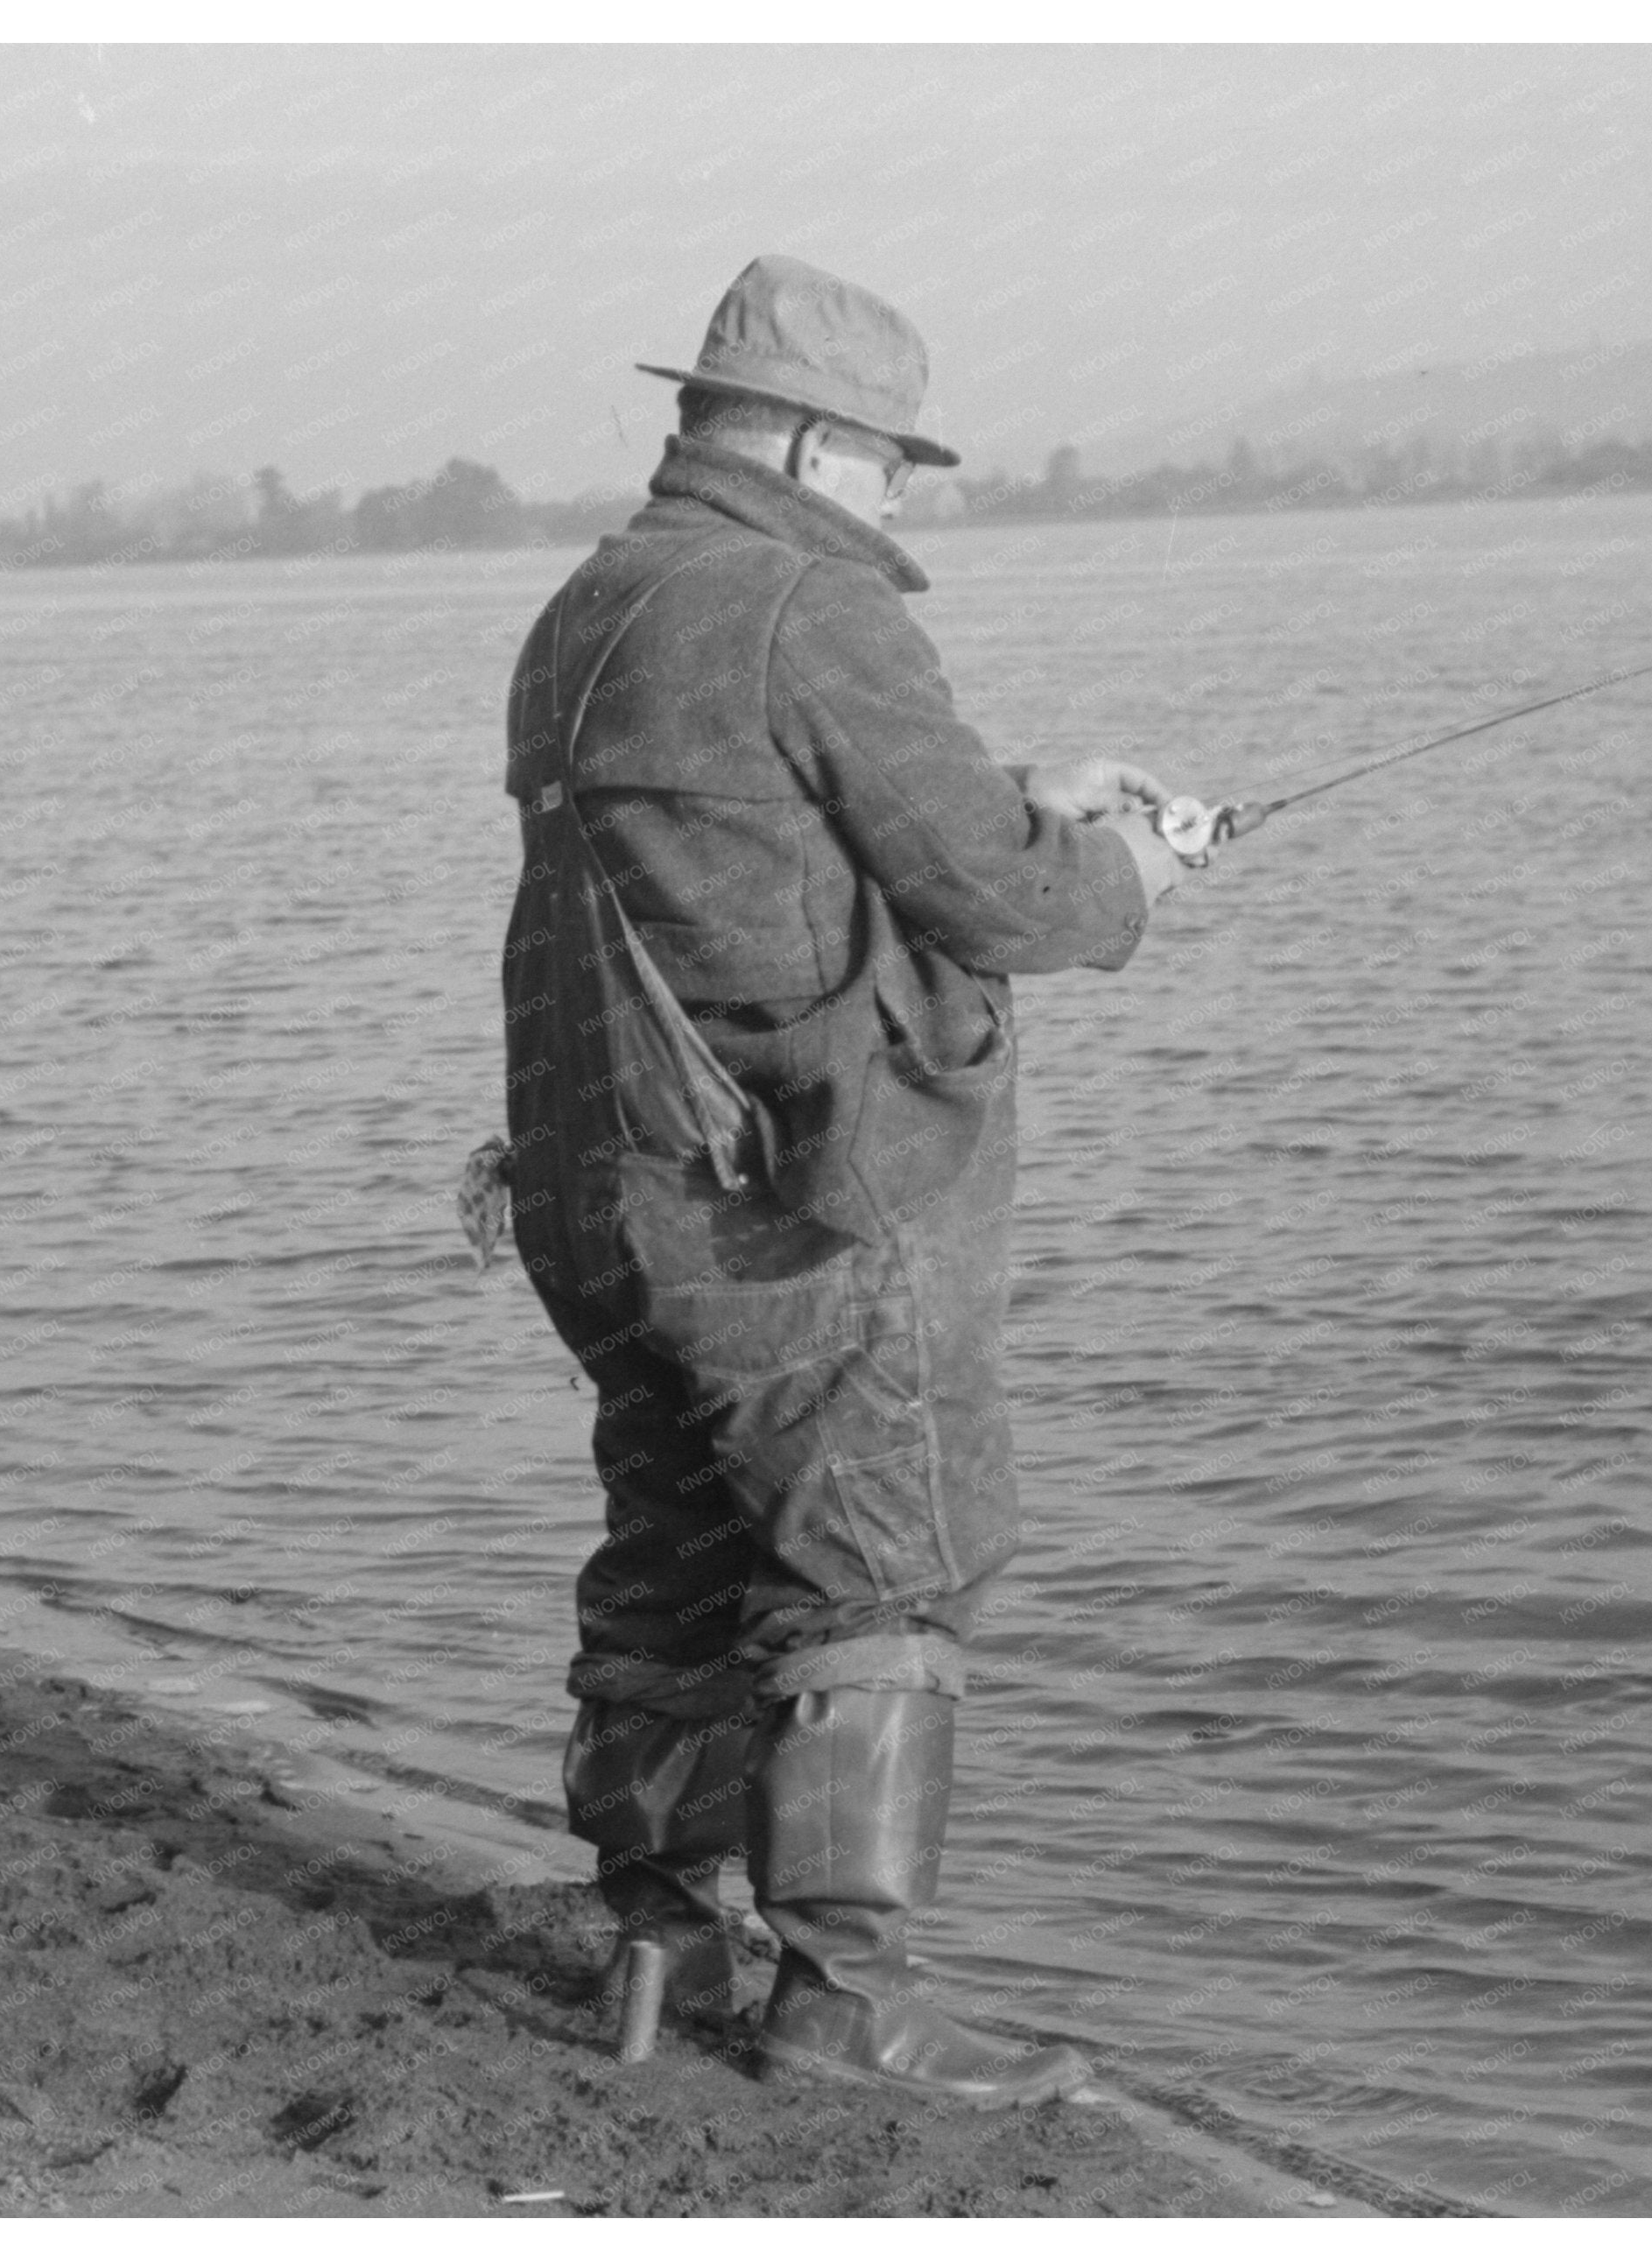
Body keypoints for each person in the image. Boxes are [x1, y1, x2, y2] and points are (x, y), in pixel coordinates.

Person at [496, 253, 1188, 2110]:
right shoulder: (811, 606)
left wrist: (1032, 781)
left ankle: (654, 1931)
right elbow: (997, 899)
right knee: (888, 1560)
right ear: (807, 442)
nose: (898, 501)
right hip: (783, 1203)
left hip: (600, 1196)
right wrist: (1125, 872)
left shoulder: (591, 605)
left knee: (671, 1551)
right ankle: (841, 2004)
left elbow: (745, 834)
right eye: (890, 464)